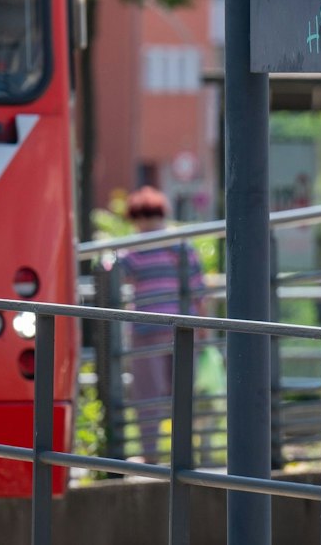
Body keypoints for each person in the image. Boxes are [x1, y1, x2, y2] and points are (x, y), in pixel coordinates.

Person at [115, 186, 205, 462]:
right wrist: (202, 328)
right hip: (182, 328)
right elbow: (198, 290)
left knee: (148, 397)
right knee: (183, 394)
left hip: (147, 328)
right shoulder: (182, 246)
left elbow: (114, 274)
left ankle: (150, 456)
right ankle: (185, 454)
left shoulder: (134, 249)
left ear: (136, 216)